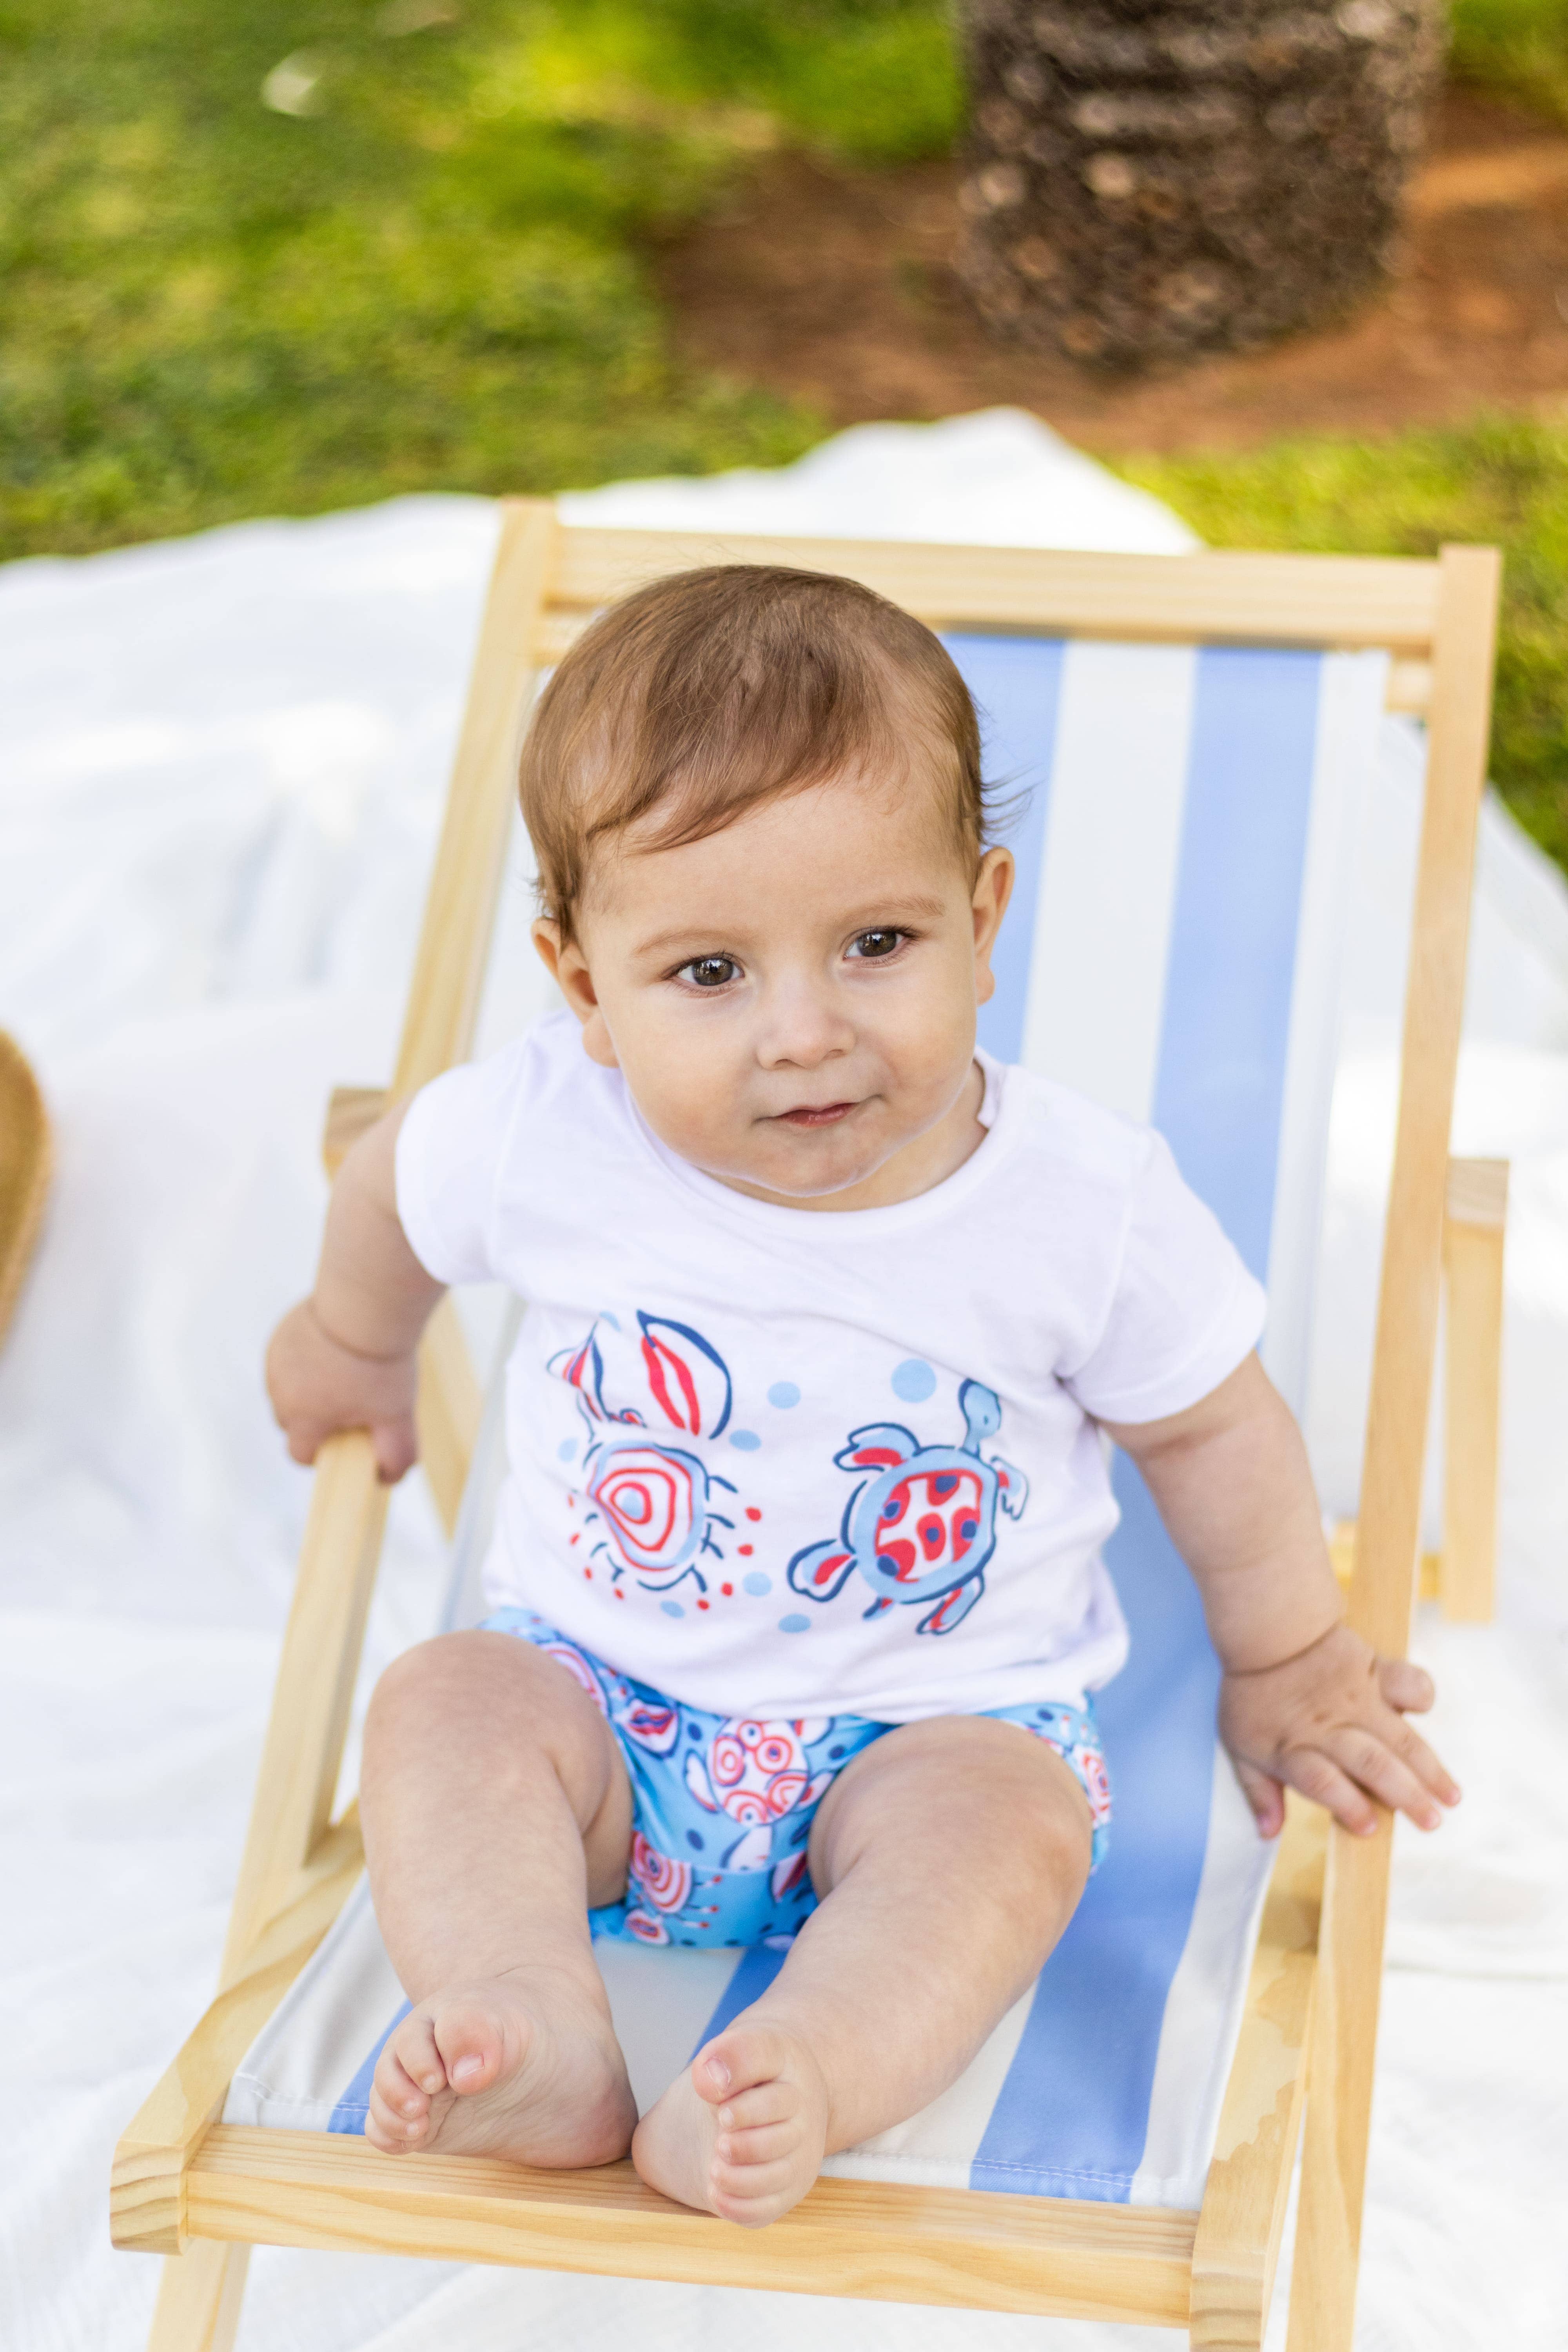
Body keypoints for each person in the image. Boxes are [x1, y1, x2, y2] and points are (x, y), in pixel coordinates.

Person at [266, 564, 1459, 2228]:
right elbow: (392, 1189)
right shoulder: (542, 1133)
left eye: (877, 944)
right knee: (441, 1705)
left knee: (1009, 1840)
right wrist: (356, 1337)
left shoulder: (1076, 1205)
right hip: (597, 1697)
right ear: (582, 984)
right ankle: (535, 2018)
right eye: (708, 972)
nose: (804, 1033)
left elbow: (1209, 1423)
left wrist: (1288, 1656)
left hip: (936, 1727)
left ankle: (811, 2062)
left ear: (984, 916)